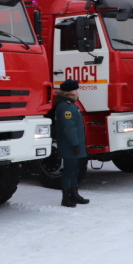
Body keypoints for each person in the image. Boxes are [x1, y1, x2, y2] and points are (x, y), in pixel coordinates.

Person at [53, 79, 89, 207]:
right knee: (69, 171)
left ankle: (74, 194)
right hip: (70, 145)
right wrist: (75, 144)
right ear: (69, 92)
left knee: (74, 170)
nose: (77, 92)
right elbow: (68, 128)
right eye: (75, 89)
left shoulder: (70, 105)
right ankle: (66, 198)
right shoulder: (65, 107)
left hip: (74, 144)